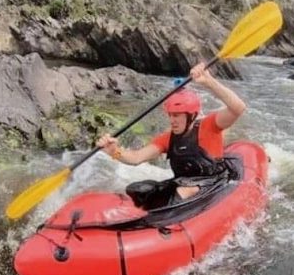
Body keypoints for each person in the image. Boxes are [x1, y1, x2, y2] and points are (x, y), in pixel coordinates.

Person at [97, 61, 246, 210]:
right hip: (184, 182)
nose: (172, 120)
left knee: (184, 191)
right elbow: (136, 158)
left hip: (213, 182)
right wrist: (115, 152)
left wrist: (209, 82)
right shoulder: (168, 138)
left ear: (192, 116)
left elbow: (238, 108)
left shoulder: (209, 126)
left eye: (177, 116)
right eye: (170, 115)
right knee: (138, 190)